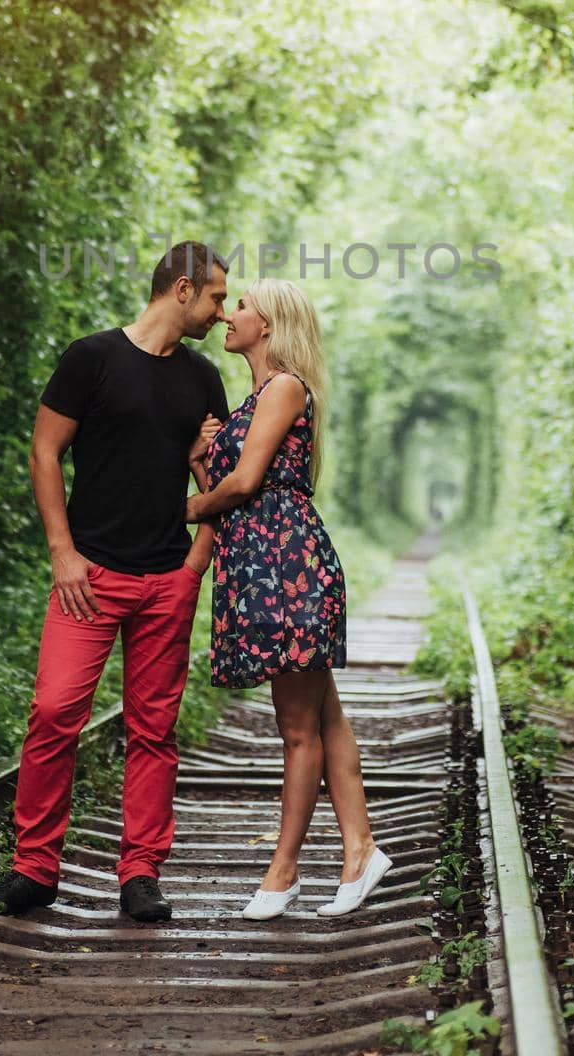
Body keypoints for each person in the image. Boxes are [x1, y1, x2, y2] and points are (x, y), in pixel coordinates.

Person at [0, 240, 230, 924]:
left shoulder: (204, 378)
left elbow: (216, 480)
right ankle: (35, 868)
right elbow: (44, 449)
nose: (221, 310)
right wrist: (62, 553)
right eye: (215, 297)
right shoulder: (90, 358)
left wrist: (196, 563)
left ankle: (140, 873)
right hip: (88, 576)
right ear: (181, 291)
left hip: (166, 579)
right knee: (55, 712)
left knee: (154, 729)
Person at [184, 278, 391, 920]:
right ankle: (361, 849)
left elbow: (244, 484)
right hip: (263, 565)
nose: (228, 315)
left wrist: (180, 511)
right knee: (324, 718)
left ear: (269, 324)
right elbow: (229, 479)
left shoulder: (285, 387)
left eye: (240, 306)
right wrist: (199, 457)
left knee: (297, 729)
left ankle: (284, 871)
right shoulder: (253, 399)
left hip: (288, 568)